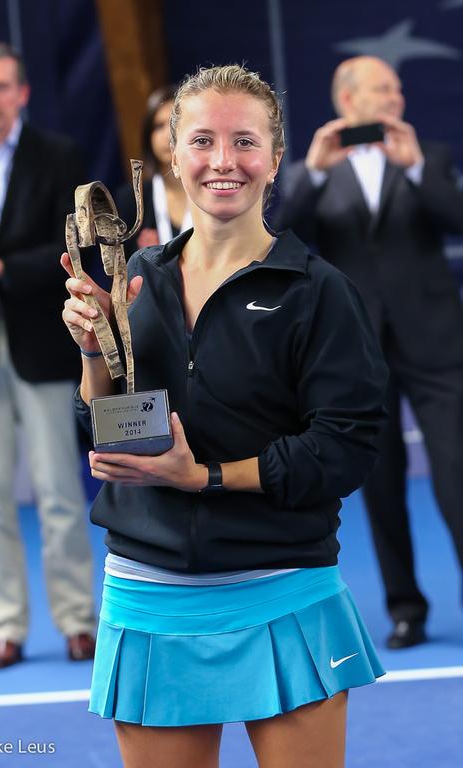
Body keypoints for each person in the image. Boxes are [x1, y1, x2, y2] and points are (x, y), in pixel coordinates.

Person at [62, 64, 387, 768]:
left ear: (275, 157)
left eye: (245, 141)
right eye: (203, 140)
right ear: (173, 155)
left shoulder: (320, 293)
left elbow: (344, 449)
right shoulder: (135, 281)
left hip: (283, 587)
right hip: (148, 592)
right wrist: (93, 350)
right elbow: (102, 427)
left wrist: (205, 476)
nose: (223, 161)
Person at [273, 55, 463, 650]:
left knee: (457, 473)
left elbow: (457, 217)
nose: (396, 98)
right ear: (348, 100)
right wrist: (314, 174)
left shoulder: (429, 157)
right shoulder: (315, 171)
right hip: (358, 348)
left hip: (436, 343)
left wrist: (415, 170)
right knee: (380, 483)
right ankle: (405, 608)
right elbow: (281, 237)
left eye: (398, 89)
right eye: (384, 89)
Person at [0, 41, 97, 669]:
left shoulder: (57, 155)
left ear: (22, 94)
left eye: (2, 87)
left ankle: (77, 620)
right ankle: (4, 627)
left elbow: (76, 250)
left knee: (59, 492)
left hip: (41, 343)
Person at [116, 85, 191, 258]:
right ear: (148, 136)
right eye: (158, 126)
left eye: (174, 124)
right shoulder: (131, 199)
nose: (167, 135)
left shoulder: (211, 190)